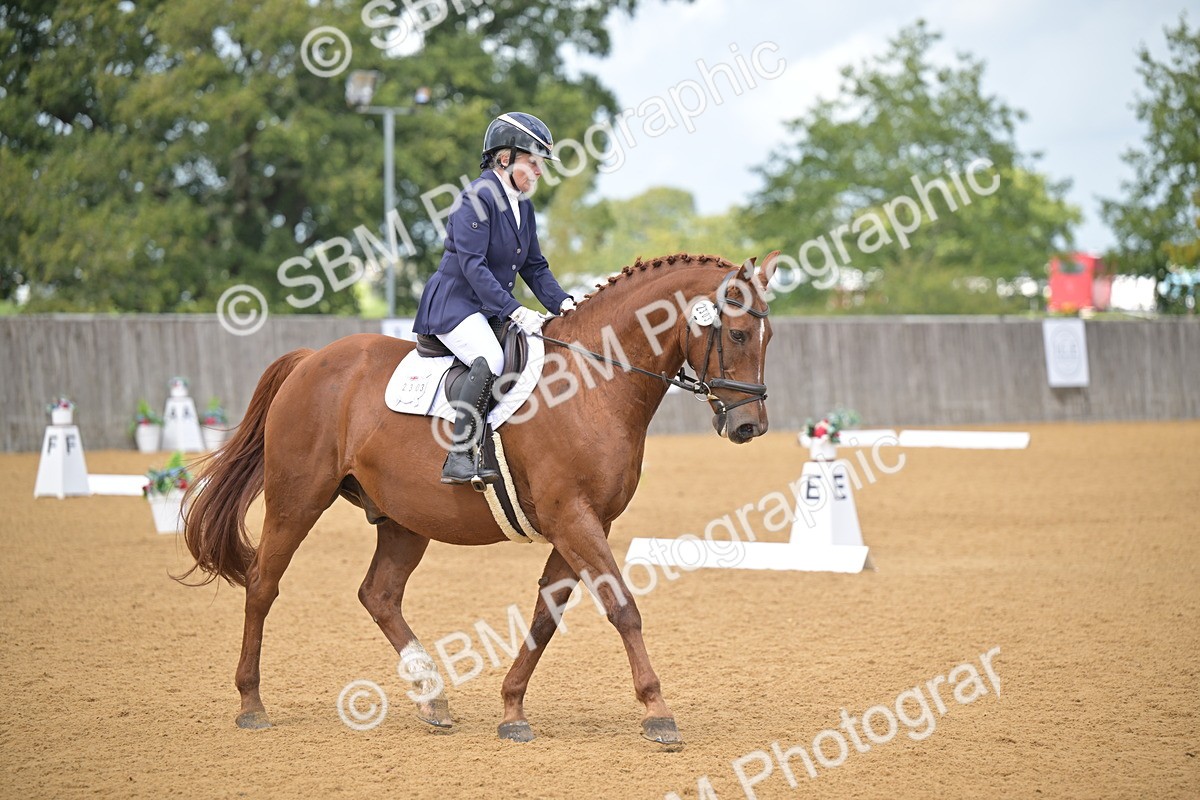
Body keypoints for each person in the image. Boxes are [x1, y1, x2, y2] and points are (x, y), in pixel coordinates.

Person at [413, 112, 576, 486]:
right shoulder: (476, 198)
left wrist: (565, 304)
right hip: (454, 304)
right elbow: (473, 266)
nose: (538, 172)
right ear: (505, 159)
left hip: (488, 307)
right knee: (491, 358)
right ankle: (459, 454)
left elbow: (534, 267)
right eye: (532, 162)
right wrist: (514, 309)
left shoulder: (525, 207)